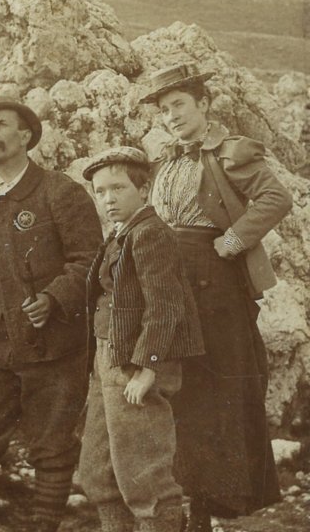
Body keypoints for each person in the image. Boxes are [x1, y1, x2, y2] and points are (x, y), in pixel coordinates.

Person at [0, 96, 103, 532]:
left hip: (52, 346)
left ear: (26, 134)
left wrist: (53, 297)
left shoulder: (60, 191)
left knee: (51, 448)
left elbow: (90, 261)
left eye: (1, 125)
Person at [140, 63, 292, 531]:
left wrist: (232, 241)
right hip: (169, 278)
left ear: (204, 104)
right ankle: (181, 501)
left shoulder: (231, 153)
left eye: (179, 105)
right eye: (164, 110)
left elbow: (276, 198)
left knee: (216, 390)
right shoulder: (163, 160)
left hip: (216, 285)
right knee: (177, 387)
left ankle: (209, 506)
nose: (171, 117)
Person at [78, 147, 204, 532]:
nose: (108, 198)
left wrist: (148, 369)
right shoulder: (121, 233)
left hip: (138, 362)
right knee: (99, 471)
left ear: (144, 189)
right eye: (100, 191)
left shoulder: (150, 233)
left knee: (143, 475)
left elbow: (165, 306)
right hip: (109, 360)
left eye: (117, 188)